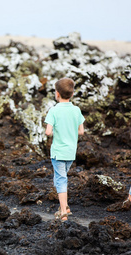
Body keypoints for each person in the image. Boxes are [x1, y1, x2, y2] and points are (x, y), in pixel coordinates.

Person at [44, 78, 85, 222]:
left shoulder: (54, 110)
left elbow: (48, 132)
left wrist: (54, 128)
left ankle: (63, 212)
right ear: (72, 94)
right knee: (60, 177)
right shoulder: (76, 110)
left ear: (57, 94)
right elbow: (81, 131)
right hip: (70, 152)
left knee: (61, 180)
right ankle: (65, 206)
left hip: (58, 151)